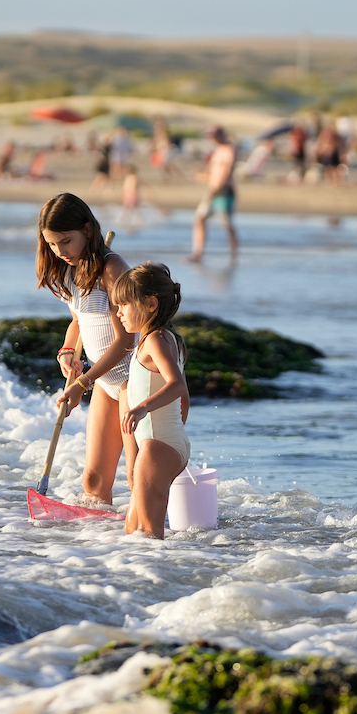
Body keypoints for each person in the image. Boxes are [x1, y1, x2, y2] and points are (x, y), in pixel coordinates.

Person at [37, 193, 134, 505]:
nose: (60, 251)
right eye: (52, 244)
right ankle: (98, 546)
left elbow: (125, 341)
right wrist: (67, 350)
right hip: (106, 382)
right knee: (93, 480)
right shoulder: (71, 270)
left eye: (66, 241)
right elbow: (79, 321)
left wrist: (83, 382)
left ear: (88, 231)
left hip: (136, 381)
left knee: (138, 475)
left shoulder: (111, 269)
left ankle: (151, 546)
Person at [112, 262, 190, 538]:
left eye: (124, 305)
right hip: (165, 442)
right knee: (133, 530)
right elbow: (185, 401)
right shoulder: (166, 340)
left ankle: (156, 580)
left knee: (147, 534)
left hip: (158, 446)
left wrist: (144, 408)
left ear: (151, 304)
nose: (118, 312)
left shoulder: (156, 340)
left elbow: (176, 385)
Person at [190, 126, 238, 261]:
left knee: (226, 224)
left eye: (214, 136)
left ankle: (233, 254)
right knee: (199, 218)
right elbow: (213, 174)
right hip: (212, 191)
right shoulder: (216, 152)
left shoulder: (229, 150)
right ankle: (197, 254)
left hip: (223, 191)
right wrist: (200, 176)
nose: (213, 139)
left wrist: (216, 189)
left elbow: (226, 172)